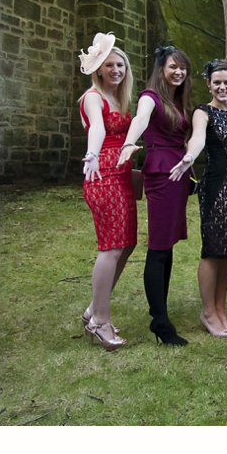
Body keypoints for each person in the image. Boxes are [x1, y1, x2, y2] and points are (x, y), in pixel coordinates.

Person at [118, 45, 193, 346]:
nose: (178, 72)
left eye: (182, 68)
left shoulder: (179, 100)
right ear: (161, 69)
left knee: (169, 244)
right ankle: (160, 322)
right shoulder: (150, 98)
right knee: (159, 246)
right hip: (162, 173)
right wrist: (128, 143)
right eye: (173, 67)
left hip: (179, 172)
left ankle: (160, 312)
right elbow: (140, 119)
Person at [169, 59, 227, 338]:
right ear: (209, 85)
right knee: (213, 249)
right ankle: (207, 312)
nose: (222, 87)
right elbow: (198, 138)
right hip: (216, 187)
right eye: (217, 82)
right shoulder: (204, 112)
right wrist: (190, 156)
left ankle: (221, 310)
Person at [77, 32, 136, 350]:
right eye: (110, 65)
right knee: (111, 246)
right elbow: (98, 128)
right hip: (103, 176)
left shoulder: (120, 98)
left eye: (121, 65)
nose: (116, 70)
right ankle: (100, 321)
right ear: (99, 68)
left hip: (123, 179)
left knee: (127, 244)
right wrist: (92, 153)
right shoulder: (93, 97)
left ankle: (93, 308)